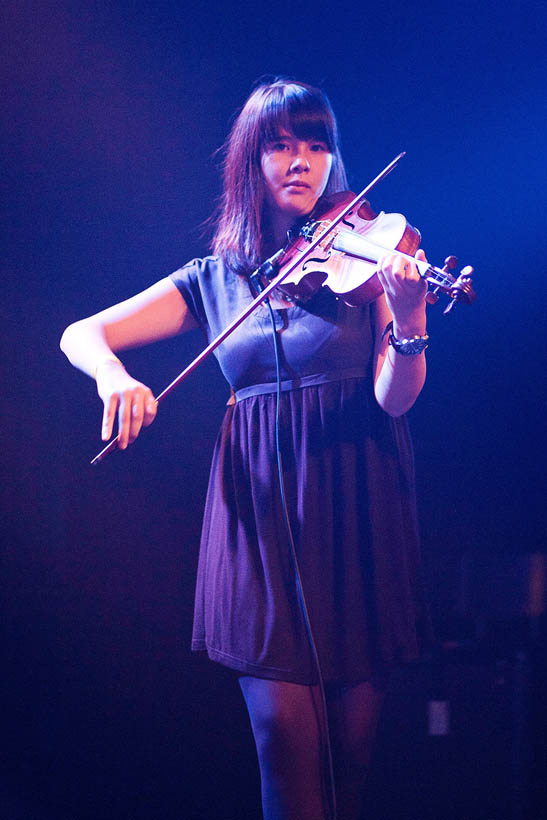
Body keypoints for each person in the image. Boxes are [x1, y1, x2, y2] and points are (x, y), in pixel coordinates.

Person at [60, 79, 431, 820]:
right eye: (280, 144)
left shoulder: (365, 259)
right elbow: (82, 333)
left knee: (349, 761)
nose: (301, 161)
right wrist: (113, 378)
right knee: (280, 740)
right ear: (249, 162)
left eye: (317, 144)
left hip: (355, 501)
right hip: (256, 513)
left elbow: (395, 398)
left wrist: (411, 312)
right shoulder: (215, 281)